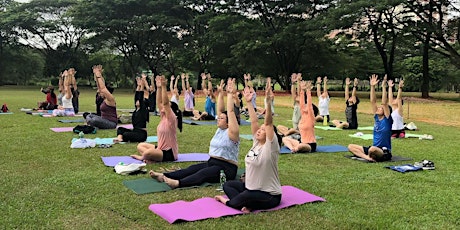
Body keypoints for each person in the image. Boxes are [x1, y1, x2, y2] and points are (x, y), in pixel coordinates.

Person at [149, 78, 239, 189]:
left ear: (229, 123)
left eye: (221, 119)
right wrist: (221, 93)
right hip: (212, 162)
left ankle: (178, 183)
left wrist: (230, 94)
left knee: (203, 174)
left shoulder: (232, 133)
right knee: (191, 169)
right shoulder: (220, 129)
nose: (218, 119)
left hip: (227, 168)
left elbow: (230, 112)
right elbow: (220, 110)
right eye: (218, 118)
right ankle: (164, 176)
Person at [215, 77, 282, 213]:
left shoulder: (271, 147)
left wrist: (268, 102)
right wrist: (248, 102)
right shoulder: (257, 143)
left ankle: (230, 203)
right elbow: (253, 121)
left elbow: (268, 123)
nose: (259, 130)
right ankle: (245, 204)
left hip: (269, 195)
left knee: (246, 195)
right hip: (250, 189)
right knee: (228, 185)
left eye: (263, 130)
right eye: (260, 129)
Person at [131, 75, 183, 162]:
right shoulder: (163, 117)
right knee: (140, 145)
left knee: (148, 152)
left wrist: (163, 87)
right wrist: (158, 87)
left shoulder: (172, 119)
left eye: (167, 107)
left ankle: (143, 157)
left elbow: (165, 103)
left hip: (169, 153)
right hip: (160, 148)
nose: (163, 107)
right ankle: (151, 157)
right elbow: (159, 102)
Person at [348, 74, 393, 162]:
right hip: (372, 148)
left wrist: (384, 87)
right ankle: (367, 157)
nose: (378, 108)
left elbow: (384, 103)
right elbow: (373, 101)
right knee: (350, 146)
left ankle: (368, 155)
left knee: (372, 149)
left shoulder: (387, 120)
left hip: (383, 151)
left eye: (381, 108)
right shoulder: (376, 117)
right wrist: (372, 86)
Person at [282, 78, 316, 153]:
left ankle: (296, 148)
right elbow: (301, 103)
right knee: (285, 139)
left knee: (301, 146)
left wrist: (308, 91)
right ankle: (292, 149)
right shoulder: (303, 115)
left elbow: (309, 105)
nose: (305, 106)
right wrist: (302, 90)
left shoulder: (311, 118)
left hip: (310, 144)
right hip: (301, 142)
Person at [113, 75, 150, 143]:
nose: (137, 101)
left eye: (139, 101)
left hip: (141, 134)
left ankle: (122, 137)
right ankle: (120, 138)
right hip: (135, 131)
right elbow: (136, 96)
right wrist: (138, 86)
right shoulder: (136, 110)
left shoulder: (143, 110)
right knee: (120, 129)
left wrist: (142, 84)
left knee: (126, 134)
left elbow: (140, 96)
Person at [85, 65, 118, 129]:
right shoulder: (103, 98)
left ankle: (90, 123)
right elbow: (100, 87)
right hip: (103, 120)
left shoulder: (110, 99)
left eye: (102, 92)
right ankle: (90, 122)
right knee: (89, 115)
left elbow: (103, 88)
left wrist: (98, 75)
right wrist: (96, 74)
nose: (100, 93)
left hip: (111, 123)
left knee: (94, 120)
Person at [277, 73, 302, 139]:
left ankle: (284, 135)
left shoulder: (303, 106)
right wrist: (293, 83)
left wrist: (298, 81)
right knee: (279, 127)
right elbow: (294, 94)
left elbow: (299, 94)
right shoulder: (296, 105)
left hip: (299, 134)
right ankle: (285, 135)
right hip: (294, 131)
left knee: (289, 133)